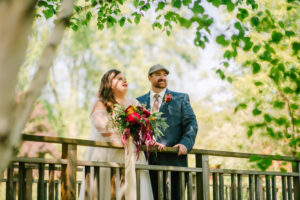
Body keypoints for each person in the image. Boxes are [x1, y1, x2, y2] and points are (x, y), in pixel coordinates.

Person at [79, 69, 161, 200]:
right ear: (109, 84)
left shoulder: (133, 103)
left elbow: (144, 127)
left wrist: (150, 140)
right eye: (118, 78)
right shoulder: (101, 104)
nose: (124, 80)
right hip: (109, 157)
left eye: (124, 78)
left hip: (133, 156)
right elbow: (103, 127)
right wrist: (122, 136)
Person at [137, 64, 198, 200]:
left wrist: (185, 144)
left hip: (174, 162)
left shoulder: (181, 98)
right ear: (149, 78)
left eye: (165, 74)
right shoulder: (139, 102)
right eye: (158, 74)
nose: (162, 77)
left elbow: (191, 124)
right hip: (146, 163)